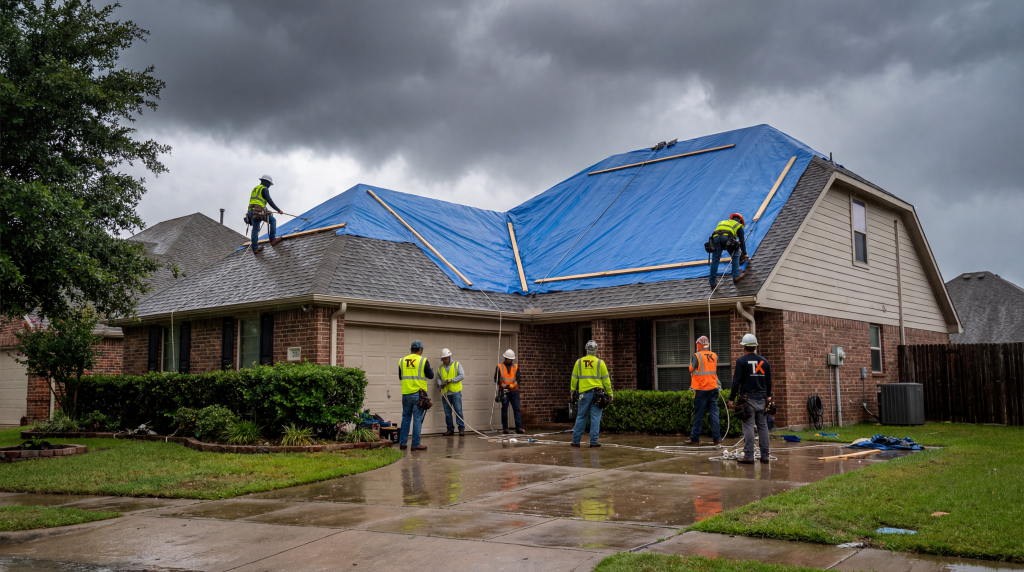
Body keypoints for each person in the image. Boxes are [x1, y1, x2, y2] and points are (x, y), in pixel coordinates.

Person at [728, 333, 773, 464]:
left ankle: (748, 456)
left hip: (748, 399)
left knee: (748, 426)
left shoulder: (741, 361)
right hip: (763, 398)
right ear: (755, 347)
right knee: (763, 426)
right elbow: (768, 382)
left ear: (744, 347)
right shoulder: (765, 361)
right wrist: (768, 396)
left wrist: (731, 398)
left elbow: (736, 381)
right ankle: (765, 456)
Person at [570, 340, 613, 448]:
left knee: (581, 417)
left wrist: (572, 390)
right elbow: (606, 381)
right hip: (597, 395)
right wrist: (610, 393)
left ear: (586, 349)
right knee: (595, 418)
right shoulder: (600, 363)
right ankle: (593, 442)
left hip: (583, 394)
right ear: (596, 350)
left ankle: (576, 441)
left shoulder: (579, 362)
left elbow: (574, 378)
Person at [398, 340, 434, 451]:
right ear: (420, 350)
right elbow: (431, 376)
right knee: (417, 419)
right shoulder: (423, 361)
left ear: (411, 350)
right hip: (419, 395)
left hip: (406, 394)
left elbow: (401, 377)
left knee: (406, 418)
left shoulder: (402, 360)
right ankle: (415, 444)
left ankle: (403, 443)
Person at [688, 335, 722, 446]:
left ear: (699, 344)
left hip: (701, 389)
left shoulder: (697, 356)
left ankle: (694, 439)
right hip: (713, 389)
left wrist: (691, 363)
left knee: (698, 415)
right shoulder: (714, 355)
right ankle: (717, 439)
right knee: (714, 414)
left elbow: (691, 369)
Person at [708, 213, 750, 287]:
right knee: (735, 254)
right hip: (727, 238)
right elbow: (742, 242)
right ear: (740, 220)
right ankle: (736, 276)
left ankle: (712, 282)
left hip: (715, 238)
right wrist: (745, 254)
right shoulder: (738, 225)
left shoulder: (722, 222)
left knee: (715, 260)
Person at [247, 174, 284, 254]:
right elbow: (269, 201)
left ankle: (255, 248)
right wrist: (278, 210)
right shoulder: (264, 189)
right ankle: (272, 240)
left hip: (251, 211)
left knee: (256, 228)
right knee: (271, 222)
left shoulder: (256, 188)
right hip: (257, 212)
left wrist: (267, 210)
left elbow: (258, 202)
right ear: (267, 182)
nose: (269, 186)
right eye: (270, 184)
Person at [494, 349, 524, 434]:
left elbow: (518, 378)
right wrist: (501, 384)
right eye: (507, 359)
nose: (509, 360)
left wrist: (514, 385)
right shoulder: (499, 366)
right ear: (505, 358)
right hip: (504, 391)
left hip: (514, 391)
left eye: (510, 359)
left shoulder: (516, 366)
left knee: (516, 409)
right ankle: (505, 428)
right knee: (504, 410)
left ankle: (519, 428)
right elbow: (495, 379)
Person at [437, 348, 465, 436]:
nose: (444, 360)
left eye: (446, 358)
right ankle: (450, 429)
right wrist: (440, 384)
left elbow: (462, 375)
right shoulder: (440, 368)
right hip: (445, 394)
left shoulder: (457, 365)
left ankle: (461, 429)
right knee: (447, 413)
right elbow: (438, 378)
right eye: (443, 359)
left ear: (449, 357)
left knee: (458, 411)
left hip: (455, 392)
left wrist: (451, 380)